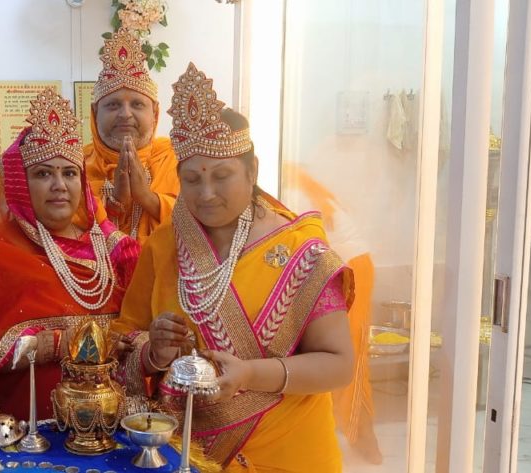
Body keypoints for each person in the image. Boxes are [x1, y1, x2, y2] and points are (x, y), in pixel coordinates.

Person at [112, 63, 355, 472]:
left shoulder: (301, 249)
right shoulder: (164, 243)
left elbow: (339, 364)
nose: (206, 194)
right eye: (192, 179)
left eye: (222, 175)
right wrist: (152, 352)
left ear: (252, 170)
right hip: (186, 453)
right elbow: (122, 343)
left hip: (290, 453)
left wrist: (250, 375)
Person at [0, 89, 140, 435]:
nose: (59, 185)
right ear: (20, 183)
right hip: (25, 431)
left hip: (111, 426)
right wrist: (60, 344)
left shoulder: (113, 250)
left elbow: (138, 325)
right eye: (43, 174)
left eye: (69, 173)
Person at [0, 28, 179, 243]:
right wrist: (115, 202)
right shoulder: (73, 165)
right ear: (95, 113)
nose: (125, 114)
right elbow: (55, 232)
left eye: (137, 104)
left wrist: (147, 198)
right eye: (113, 105)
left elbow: (203, 224)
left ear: (155, 113)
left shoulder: (178, 160)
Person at [282, 162, 383, 464]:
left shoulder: (291, 187)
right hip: (343, 266)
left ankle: (362, 436)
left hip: (350, 266)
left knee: (349, 355)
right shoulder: (297, 180)